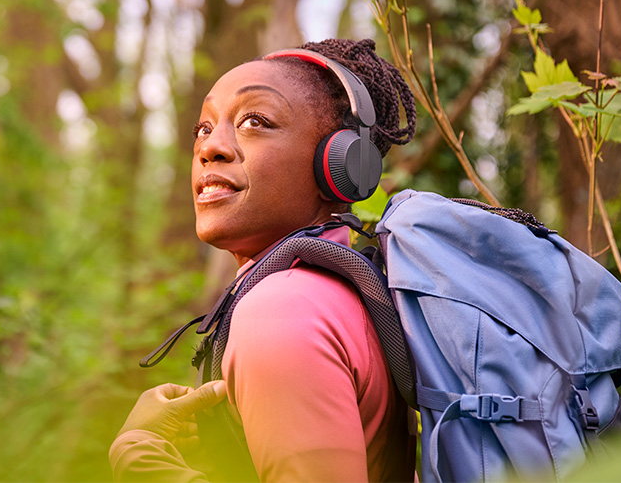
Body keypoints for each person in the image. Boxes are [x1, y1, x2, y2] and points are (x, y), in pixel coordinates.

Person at [110, 38, 418, 482]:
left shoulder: (283, 311)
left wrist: (142, 462)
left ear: (339, 163)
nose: (210, 148)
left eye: (254, 120)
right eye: (204, 127)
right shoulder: (337, 292)